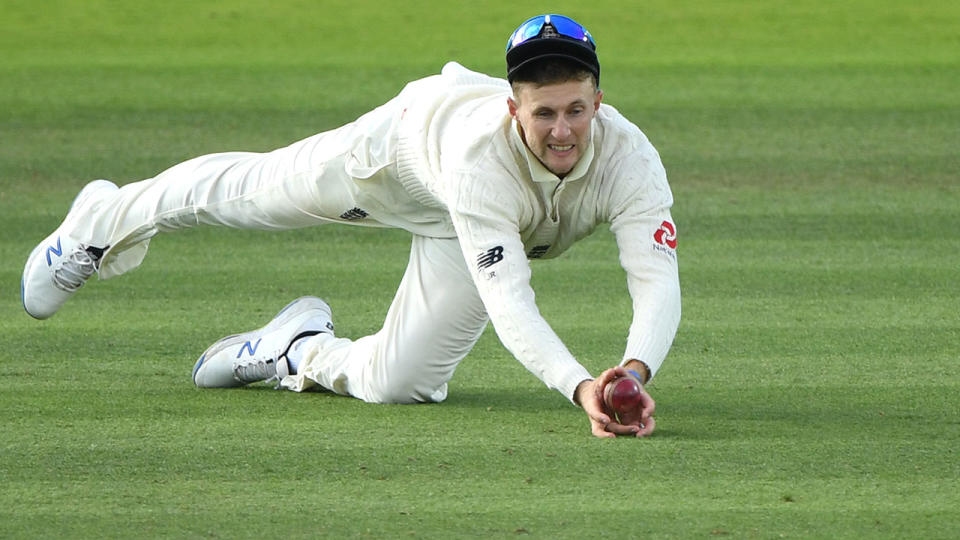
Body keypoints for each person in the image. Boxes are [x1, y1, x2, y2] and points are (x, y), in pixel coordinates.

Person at [21, 14, 680, 438]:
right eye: (543, 114)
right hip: (394, 159)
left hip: (470, 224)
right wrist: (580, 387)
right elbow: (510, 300)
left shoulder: (631, 160)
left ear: (599, 99)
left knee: (402, 386)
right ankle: (98, 224)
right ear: (514, 109)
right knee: (249, 195)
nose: (561, 130)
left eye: (575, 110)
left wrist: (634, 371)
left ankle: (296, 350)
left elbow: (655, 280)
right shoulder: (483, 160)